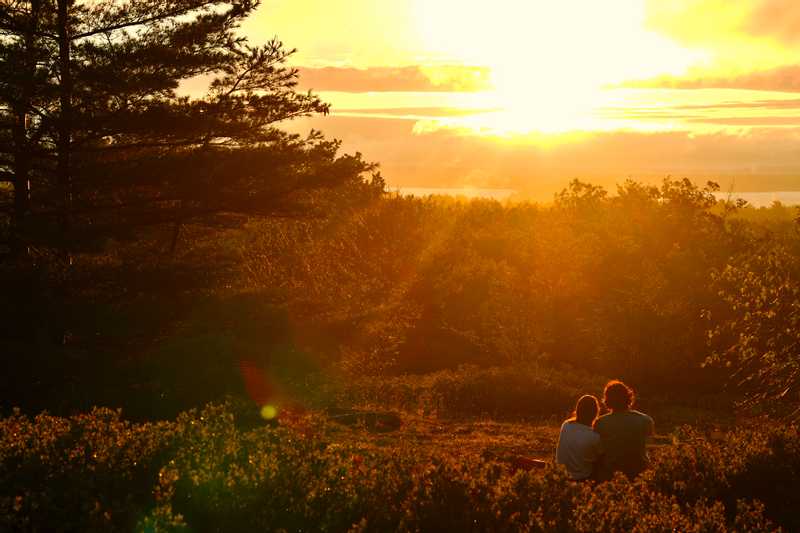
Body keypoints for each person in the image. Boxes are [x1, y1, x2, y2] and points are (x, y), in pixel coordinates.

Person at [593, 380, 654, 481]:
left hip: (610, 475)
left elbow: (597, 451)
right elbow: (648, 448)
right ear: (628, 397)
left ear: (607, 400)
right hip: (639, 475)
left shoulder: (600, 423)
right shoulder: (645, 420)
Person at [555, 394, 603, 481]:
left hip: (561, 475)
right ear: (596, 412)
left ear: (578, 410)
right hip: (582, 478)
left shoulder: (566, 425)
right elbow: (600, 456)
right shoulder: (594, 435)